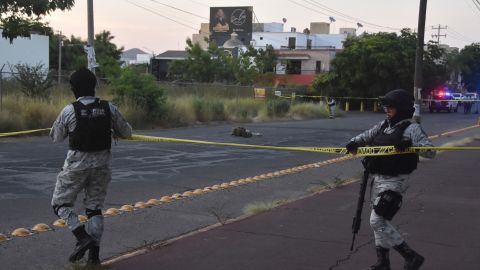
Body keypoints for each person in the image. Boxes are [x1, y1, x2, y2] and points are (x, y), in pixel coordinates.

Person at [345, 89, 435, 270]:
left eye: (391, 107)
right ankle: (383, 262)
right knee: (380, 223)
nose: (387, 110)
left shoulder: (412, 128)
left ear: (401, 109)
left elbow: (430, 152)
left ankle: (411, 257)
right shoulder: (382, 126)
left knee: (376, 220)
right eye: (386, 106)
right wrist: (353, 143)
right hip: (377, 179)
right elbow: (363, 137)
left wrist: (410, 146)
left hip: (396, 182)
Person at [50, 67, 132, 265]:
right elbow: (127, 132)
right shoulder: (108, 108)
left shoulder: (69, 110)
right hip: (102, 166)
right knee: (94, 209)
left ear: (74, 89)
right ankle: (94, 259)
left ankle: (81, 237)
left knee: (60, 204)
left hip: (76, 166)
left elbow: (56, 137)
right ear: (94, 87)